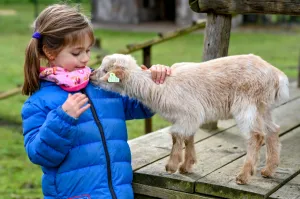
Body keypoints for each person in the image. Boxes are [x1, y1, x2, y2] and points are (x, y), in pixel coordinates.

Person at [21, 4, 171, 199]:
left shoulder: (104, 81)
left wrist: (152, 83)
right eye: (76, 53)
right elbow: (40, 155)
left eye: (88, 50)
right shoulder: (38, 103)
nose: (85, 59)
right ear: (50, 53)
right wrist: (62, 119)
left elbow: (139, 105)